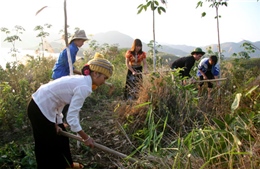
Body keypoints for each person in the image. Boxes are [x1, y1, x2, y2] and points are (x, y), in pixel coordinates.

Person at [27, 53, 114, 169]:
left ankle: (67, 165)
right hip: (39, 108)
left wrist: (57, 122)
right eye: (105, 77)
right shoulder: (84, 87)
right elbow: (71, 118)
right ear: (96, 74)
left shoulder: (82, 81)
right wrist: (85, 137)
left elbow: (60, 101)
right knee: (45, 145)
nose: (104, 81)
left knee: (61, 137)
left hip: (47, 106)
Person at [52, 30, 88, 124]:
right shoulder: (71, 49)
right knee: (66, 99)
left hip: (61, 74)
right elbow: (69, 66)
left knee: (66, 99)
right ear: (76, 40)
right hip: (60, 75)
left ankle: (60, 119)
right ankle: (60, 120)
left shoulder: (73, 48)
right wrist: (80, 73)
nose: (83, 43)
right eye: (81, 41)